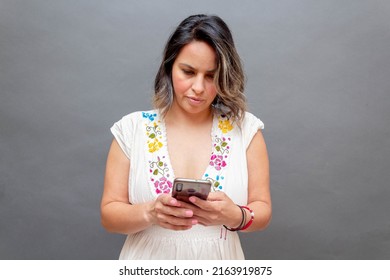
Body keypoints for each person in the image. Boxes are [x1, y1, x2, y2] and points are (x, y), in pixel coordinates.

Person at [101, 14, 271, 260]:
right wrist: (150, 213)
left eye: (211, 76)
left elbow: (262, 209)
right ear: (169, 67)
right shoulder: (132, 130)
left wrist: (234, 215)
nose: (199, 87)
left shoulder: (245, 130)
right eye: (188, 72)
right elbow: (109, 215)